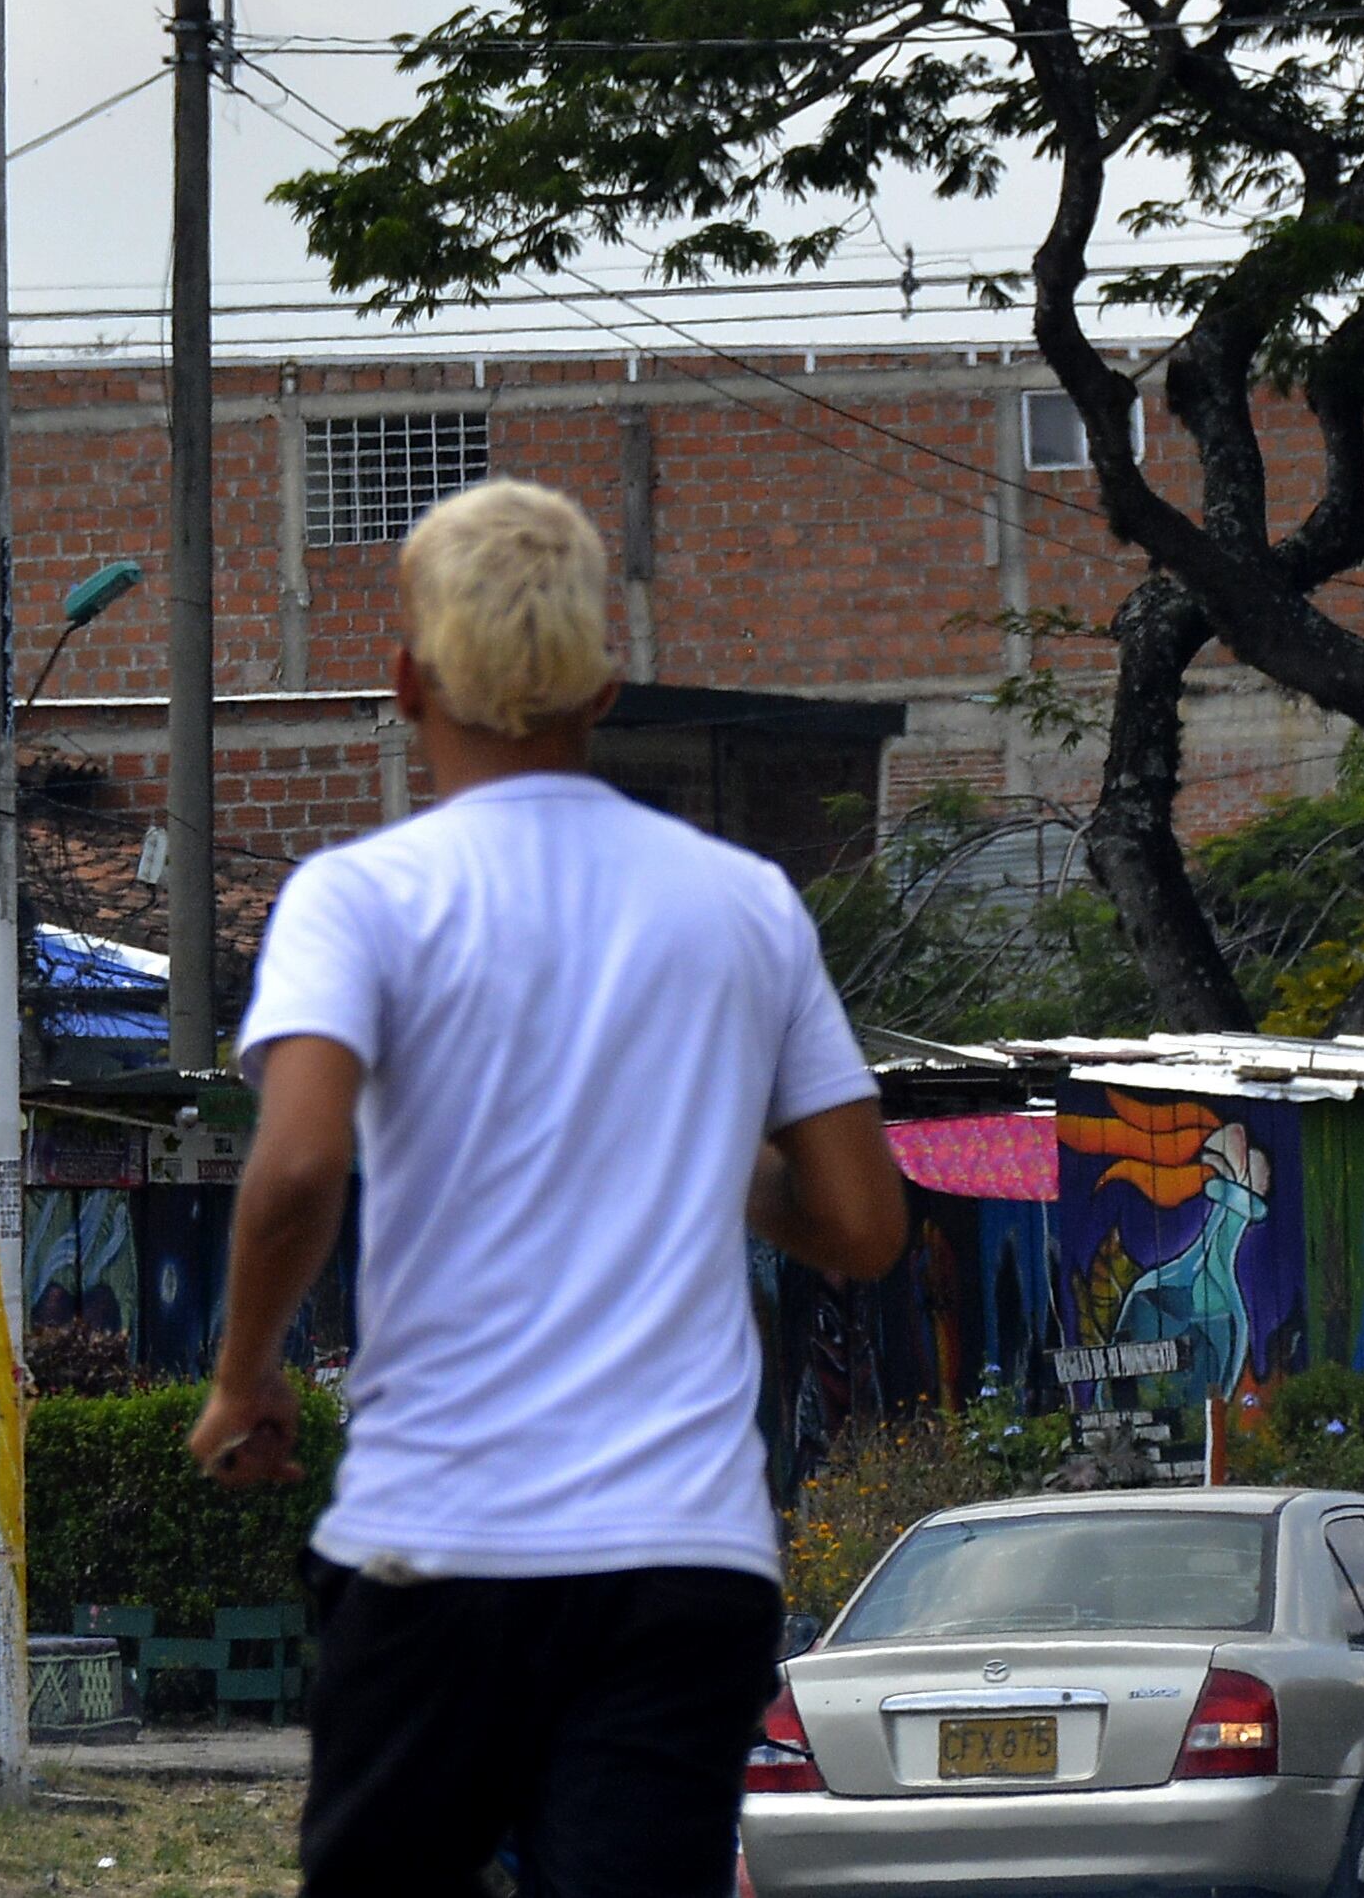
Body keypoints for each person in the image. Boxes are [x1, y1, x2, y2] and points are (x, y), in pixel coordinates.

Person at [189, 478, 907, 1897]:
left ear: (406, 681)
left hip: (436, 1548)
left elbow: (299, 1162)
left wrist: (243, 1375)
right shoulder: (744, 903)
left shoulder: (360, 897)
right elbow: (864, 1223)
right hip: (681, 1563)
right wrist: (710, 1153)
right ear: (605, 687)